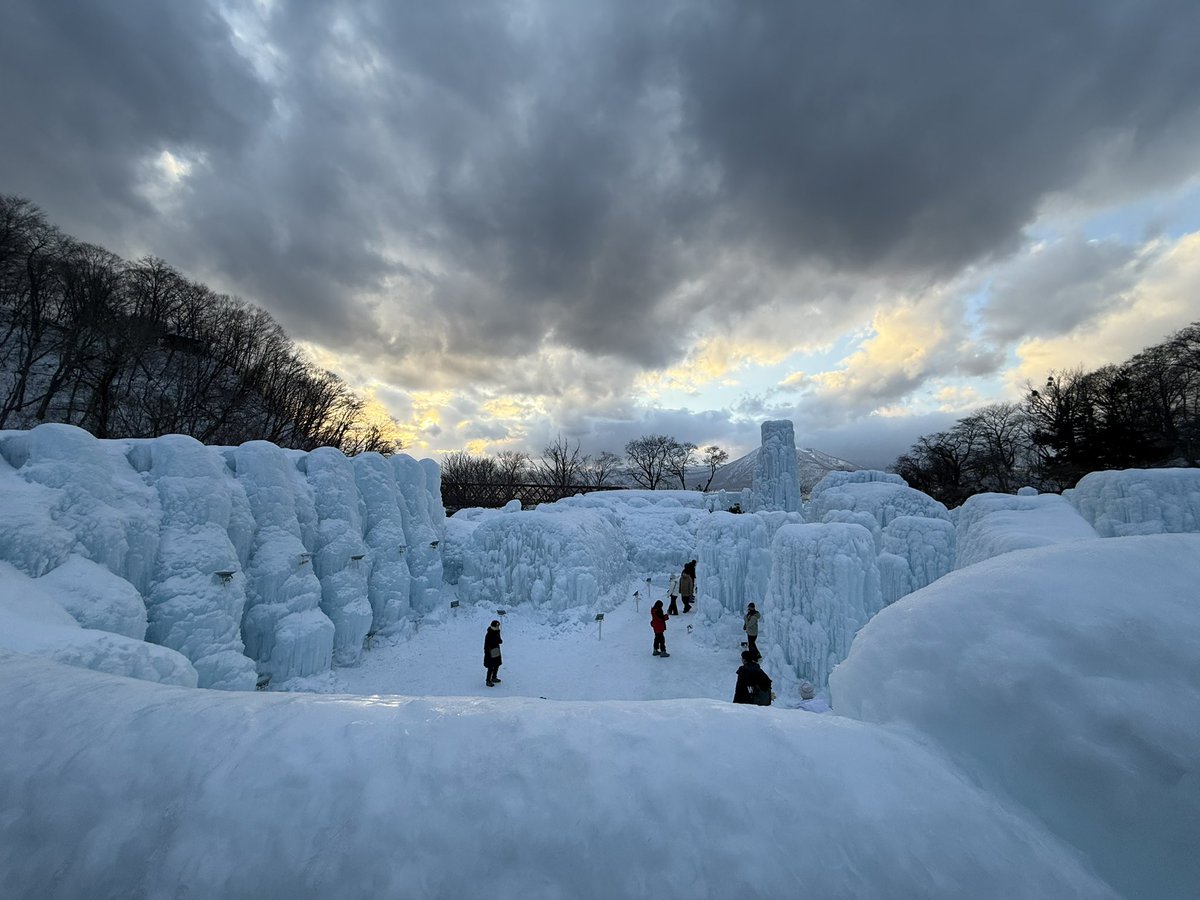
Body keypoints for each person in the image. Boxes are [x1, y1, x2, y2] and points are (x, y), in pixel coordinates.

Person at [484, 620, 503, 687]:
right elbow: (486, 646)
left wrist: (499, 636)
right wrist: (487, 654)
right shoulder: (489, 634)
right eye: (497, 626)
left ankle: (494, 677)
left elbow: (499, 641)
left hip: (496, 650)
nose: (498, 627)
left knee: (496, 665)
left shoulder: (496, 632)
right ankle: (488, 680)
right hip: (490, 653)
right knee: (490, 667)